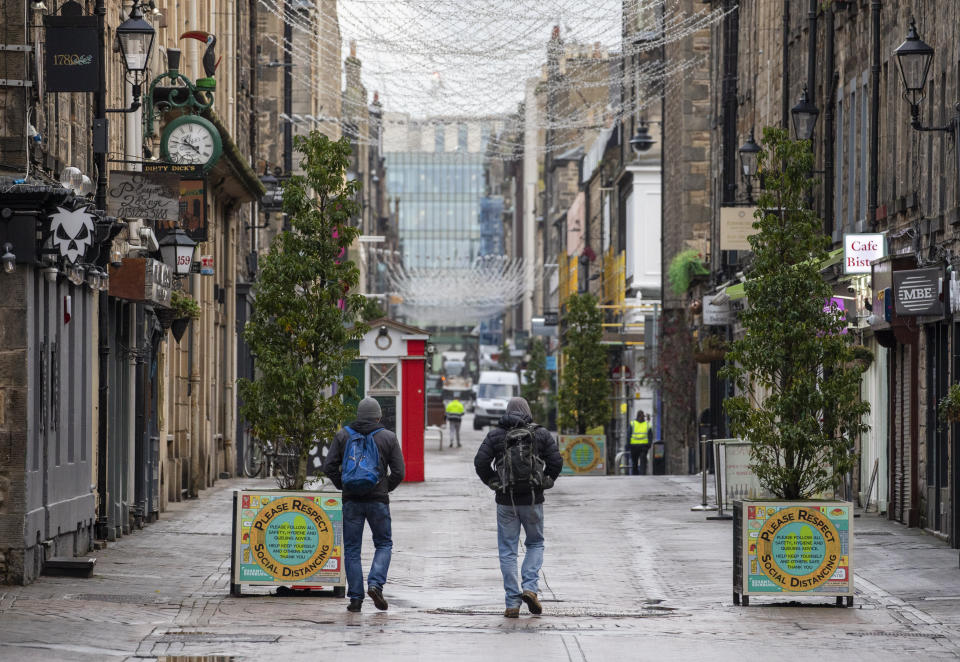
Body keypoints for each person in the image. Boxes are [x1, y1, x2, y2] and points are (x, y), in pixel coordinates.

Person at [474, 397, 563, 618]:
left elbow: (480, 461)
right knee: (535, 543)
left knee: (508, 551)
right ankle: (530, 589)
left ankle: (512, 602)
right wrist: (548, 480)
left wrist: (493, 481)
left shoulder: (496, 434)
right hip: (533, 499)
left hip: (506, 500)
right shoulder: (540, 433)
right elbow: (556, 461)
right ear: (527, 411)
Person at [322, 397, 405, 613]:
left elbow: (329, 466)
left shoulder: (343, 435)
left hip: (351, 502)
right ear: (378, 416)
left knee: (351, 549)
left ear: (358, 415)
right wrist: (385, 488)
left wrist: (344, 486)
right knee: (384, 543)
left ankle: (356, 599)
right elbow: (399, 472)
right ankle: (375, 584)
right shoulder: (388, 437)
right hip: (377, 500)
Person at [628, 410, 651, 476]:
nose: (642, 418)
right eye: (641, 416)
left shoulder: (646, 425)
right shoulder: (633, 424)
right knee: (636, 463)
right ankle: (638, 475)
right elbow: (629, 435)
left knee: (641, 462)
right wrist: (648, 445)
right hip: (637, 446)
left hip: (639, 447)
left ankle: (639, 475)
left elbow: (650, 436)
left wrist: (648, 445)